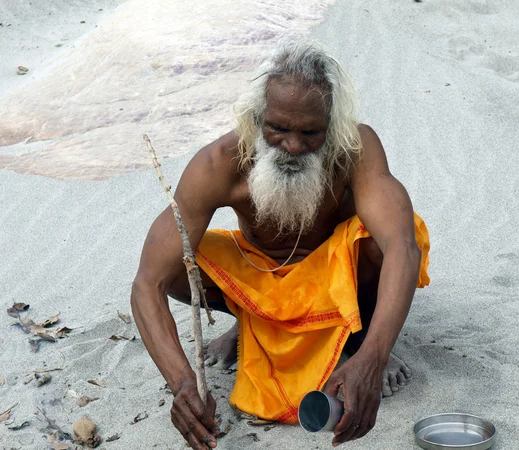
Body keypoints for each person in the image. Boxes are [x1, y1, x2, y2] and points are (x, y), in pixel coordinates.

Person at [130, 39, 430, 450]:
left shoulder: (355, 149)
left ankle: (359, 341)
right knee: (181, 261)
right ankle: (251, 320)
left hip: (338, 280)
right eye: (278, 129)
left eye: (310, 132)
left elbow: (401, 246)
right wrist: (183, 383)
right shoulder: (220, 163)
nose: (293, 146)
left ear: (332, 123)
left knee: (394, 234)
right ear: (256, 119)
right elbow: (148, 283)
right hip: (262, 277)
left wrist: (374, 357)